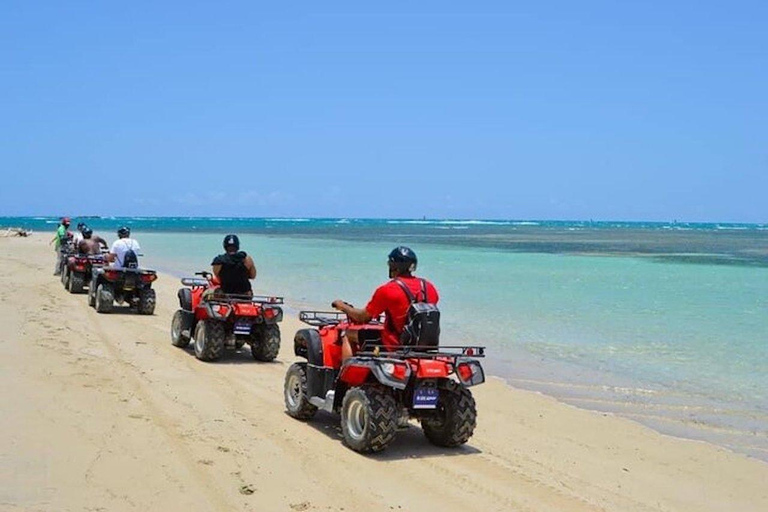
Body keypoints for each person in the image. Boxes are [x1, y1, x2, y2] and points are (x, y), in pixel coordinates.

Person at [332, 246, 439, 361]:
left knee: (348, 334)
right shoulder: (429, 287)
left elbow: (362, 317)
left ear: (394, 267)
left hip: (395, 344)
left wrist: (343, 306)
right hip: (424, 345)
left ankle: (345, 376)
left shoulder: (388, 289)